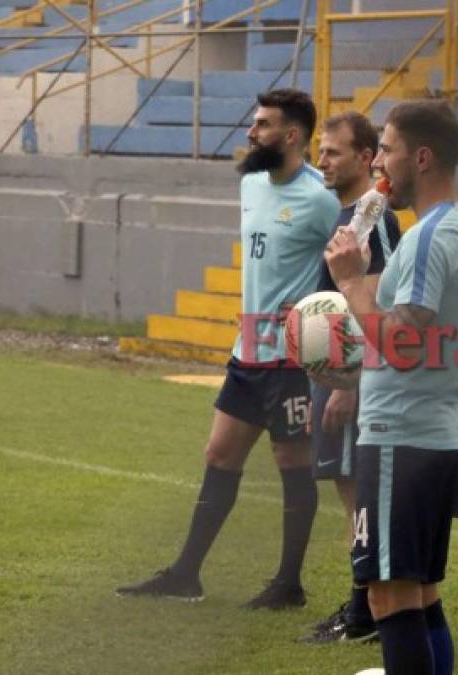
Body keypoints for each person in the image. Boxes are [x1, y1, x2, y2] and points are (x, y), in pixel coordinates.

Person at [116, 89, 341, 609]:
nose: (250, 132)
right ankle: (185, 575)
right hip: (248, 353)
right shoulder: (253, 185)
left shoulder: (321, 199)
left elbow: (342, 271)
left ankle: (289, 584)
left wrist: (314, 318)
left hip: (290, 357)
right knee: (219, 454)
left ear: (291, 136)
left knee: (291, 461)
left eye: (262, 124)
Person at [325, 101, 458, 675]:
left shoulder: (428, 239)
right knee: (420, 595)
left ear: (421, 157)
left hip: (401, 435)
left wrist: (350, 282)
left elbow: (401, 340)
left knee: (388, 598)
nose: (380, 165)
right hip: (432, 431)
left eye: (389, 150)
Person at [303, 111, 402, 644]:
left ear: (366, 157)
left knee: (357, 499)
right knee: (350, 495)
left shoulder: (374, 216)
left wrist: (347, 382)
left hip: (350, 380)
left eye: (334, 151)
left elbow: (378, 294)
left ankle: (365, 614)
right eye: (322, 150)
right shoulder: (352, 213)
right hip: (333, 375)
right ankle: (364, 606)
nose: (323, 159)